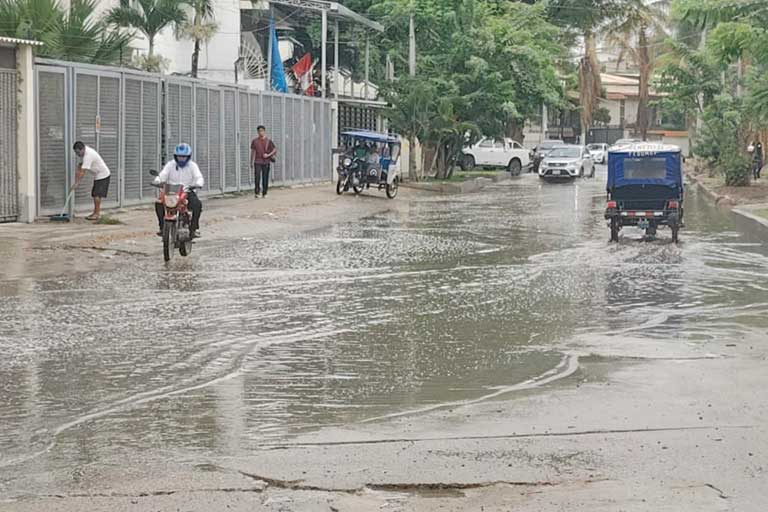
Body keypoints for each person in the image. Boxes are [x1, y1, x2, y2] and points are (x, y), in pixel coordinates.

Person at [154, 143, 205, 238]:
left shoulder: (192, 166)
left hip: (187, 191)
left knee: (197, 205)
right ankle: (162, 228)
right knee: (159, 203)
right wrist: (157, 181)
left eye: (183, 157)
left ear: (188, 157)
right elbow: (162, 175)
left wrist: (198, 183)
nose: (181, 158)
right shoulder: (170, 165)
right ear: (175, 156)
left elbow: (199, 177)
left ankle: (194, 229)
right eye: (179, 156)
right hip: (171, 192)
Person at [73, 141, 111, 221]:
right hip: (98, 175)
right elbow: (80, 167)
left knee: (96, 195)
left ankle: (96, 214)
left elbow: (83, 172)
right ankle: (95, 212)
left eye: (78, 152)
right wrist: (77, 176)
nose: (77, 154)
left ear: (82, 149)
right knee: (95, 194)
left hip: (103, 174)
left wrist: (76, 183)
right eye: (76, 152)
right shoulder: (86, 152)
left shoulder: (88, 155)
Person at [250, 125, 277, 198]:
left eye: (262, 131)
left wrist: (268, 155)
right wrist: (251, 162)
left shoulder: (268, 141)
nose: (260, 132)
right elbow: (253, 151)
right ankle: (257, 192)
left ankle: (264, 193)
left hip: (266, 162)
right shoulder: (254, 141)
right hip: (257, 162)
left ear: (264, 131)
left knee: (265, 177)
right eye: (259, 131)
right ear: (257, 132)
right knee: (257, 177)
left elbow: (274, 149)